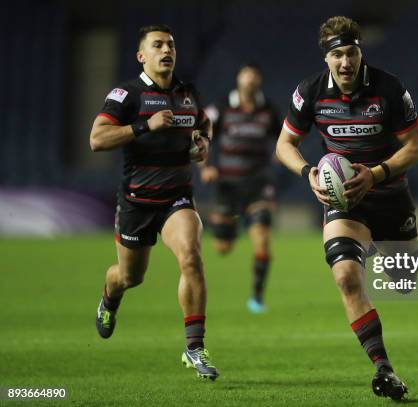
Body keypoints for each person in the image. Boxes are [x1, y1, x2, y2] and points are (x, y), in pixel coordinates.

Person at [275, 16, 418, 400]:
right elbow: (284, 145)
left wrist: (375, 175)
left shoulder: (389, 88)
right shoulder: (309, 91)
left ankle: (373, 245)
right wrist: (308, 171)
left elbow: (417, 146)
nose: (346, 62)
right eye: (338, 54)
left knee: (406, 284)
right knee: (345, 277)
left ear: (361, 52)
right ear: (326, 58)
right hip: (345, 202)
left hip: (389, 195)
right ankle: (384, 368)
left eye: (352, 52)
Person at [90, 24, 219, 380]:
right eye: (158, 45)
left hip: (177, 199)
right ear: (141, 56)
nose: (167, 50)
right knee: (130, 278)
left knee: (191, 257)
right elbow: (97, 139)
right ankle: (109, 297)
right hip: (136, 202)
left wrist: (203, 142)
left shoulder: (187, 93)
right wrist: (144, 127)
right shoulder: (126, 95)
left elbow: (204, 123)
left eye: (171, 45)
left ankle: (194, 347)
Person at [200, 63, 280, 313]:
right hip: (227, 185)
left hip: (258, 184)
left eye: (254, 76)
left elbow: (284, 137)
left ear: (259, 81)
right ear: (238, 80)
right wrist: (205, 167)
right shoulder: (222, 106)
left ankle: (256, 298)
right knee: (222, 248)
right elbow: (202, 134)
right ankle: (232, 225)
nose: (250, 80)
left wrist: (282, 152)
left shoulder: (269, 109)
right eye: (246, 75)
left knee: (263, 241)